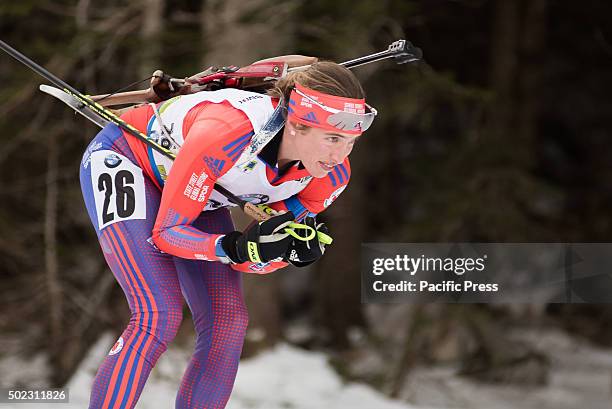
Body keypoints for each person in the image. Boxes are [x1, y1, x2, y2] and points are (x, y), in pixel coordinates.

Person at [79, 60, 376, 409]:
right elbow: (168, 234)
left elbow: (250, 257)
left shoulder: (330, 174)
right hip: (129, 159)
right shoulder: (227, 133)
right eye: (333, 139)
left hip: (200, 194)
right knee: (158, 313)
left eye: (351, 141)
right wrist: (234, 246)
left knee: (228, 321)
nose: (340, 155)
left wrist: (280, 252)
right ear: (297, 125)